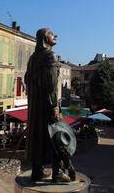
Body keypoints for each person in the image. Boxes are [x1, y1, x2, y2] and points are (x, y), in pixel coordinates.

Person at [25, 28, 70, 182]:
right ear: (45, 38)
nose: (55, 35)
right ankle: (57, 173)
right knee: (57, 136)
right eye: (52, 33)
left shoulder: (32, 58)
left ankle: (36, 171)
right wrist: (55, 107)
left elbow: (27, 80)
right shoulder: (49, 56)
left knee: (37, 136)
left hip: (35, 106)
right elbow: (51, 86)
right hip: (47, 104)